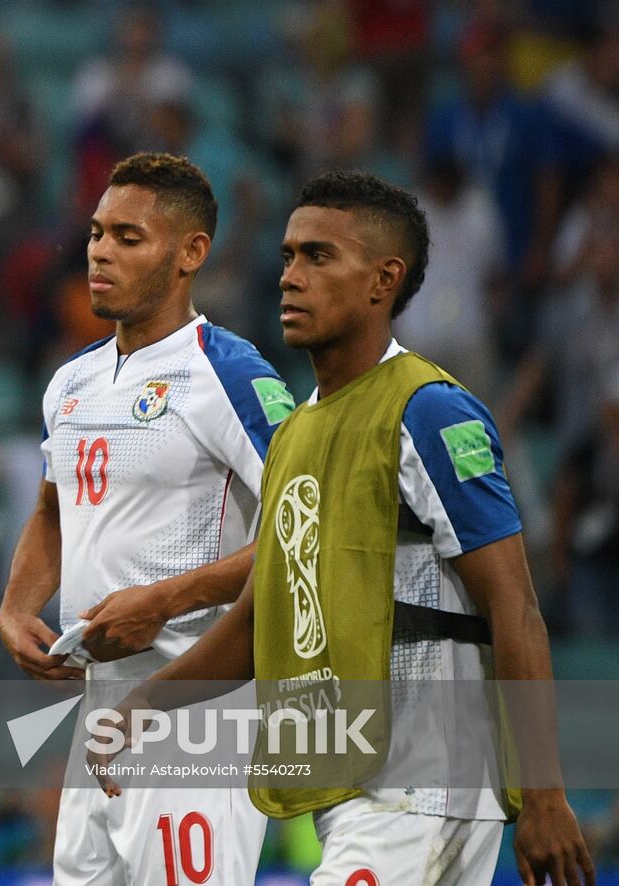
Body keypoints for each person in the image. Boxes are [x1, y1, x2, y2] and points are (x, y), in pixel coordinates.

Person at [93, 171, 593, 885]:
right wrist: (145, 704)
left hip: (426, 784)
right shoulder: (296, 434)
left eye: (318, 257)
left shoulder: (430, 412)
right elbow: (264, 616)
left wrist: (543, 794)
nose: (291, 277)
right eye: (289, 255)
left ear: (383, 280)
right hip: (356, 787)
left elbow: (515, 606)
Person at [0, 152, 291, 884]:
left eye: (129, 238)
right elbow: (52, 505)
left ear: (191, 253)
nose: (100, 251)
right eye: (98, 233)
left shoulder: (232, 375)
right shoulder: (72, 379)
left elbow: (304, 535)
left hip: (200, 710)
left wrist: (165, 600)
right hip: (101, 710)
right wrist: (14, 607)